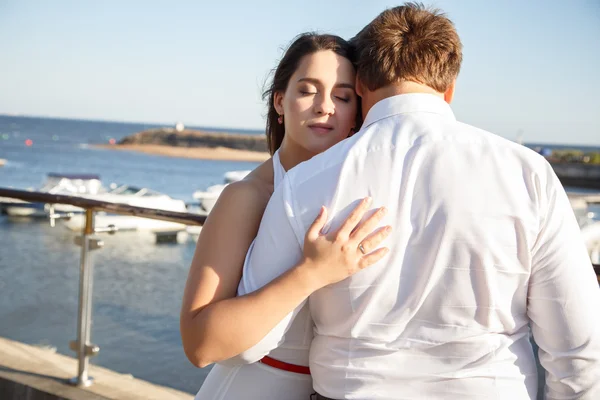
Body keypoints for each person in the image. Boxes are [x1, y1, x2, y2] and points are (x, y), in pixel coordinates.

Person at [229, 3, 600, 400]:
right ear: (449, 89)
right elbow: (578, 349)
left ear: (360, 87)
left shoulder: (305, 181)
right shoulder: (528, 173)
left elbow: (250, 344)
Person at [180, 33, 391, 400]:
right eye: (308, 90)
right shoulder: (246, 197)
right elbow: (200, 344)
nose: (325, 106)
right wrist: (312, 273)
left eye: (342, 97)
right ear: (280, 101)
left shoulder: (368, 195)